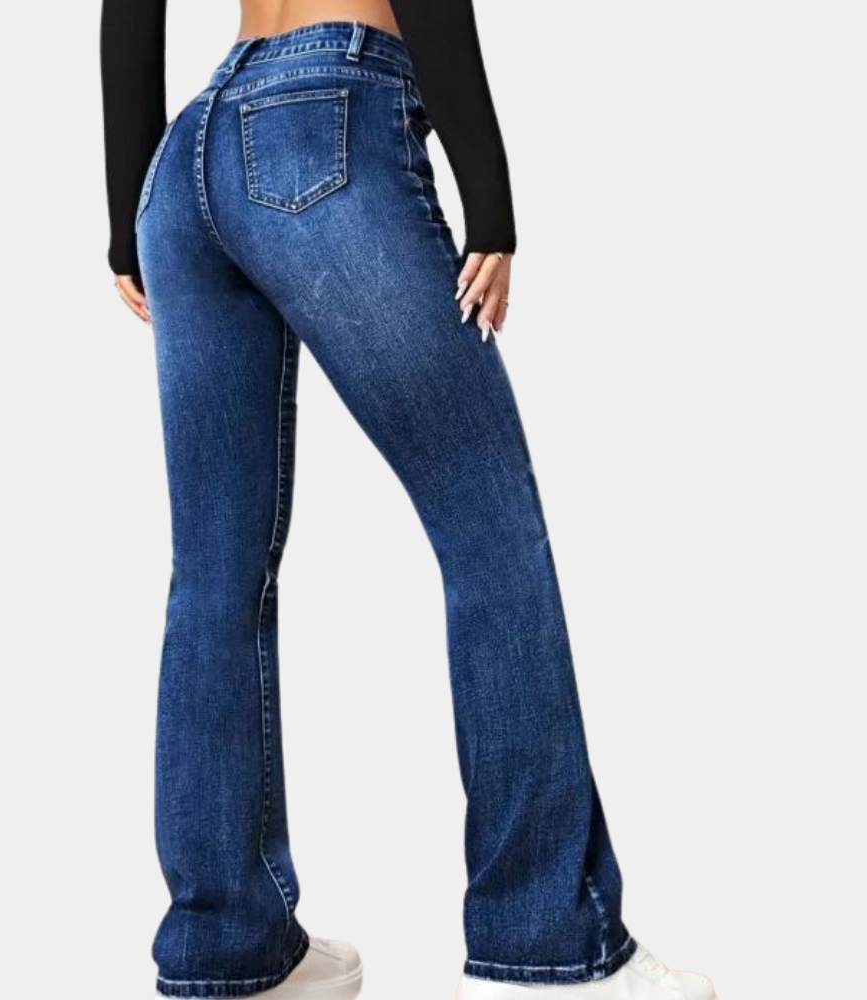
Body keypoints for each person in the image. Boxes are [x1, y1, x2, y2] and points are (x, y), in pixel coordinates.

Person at [100, 2, 718, 998]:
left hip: (188, 160)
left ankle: (227, 948)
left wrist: (126, 207)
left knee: (215, 578)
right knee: (491, 537)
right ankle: (544, 940)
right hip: (325, 122)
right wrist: (492, 199)